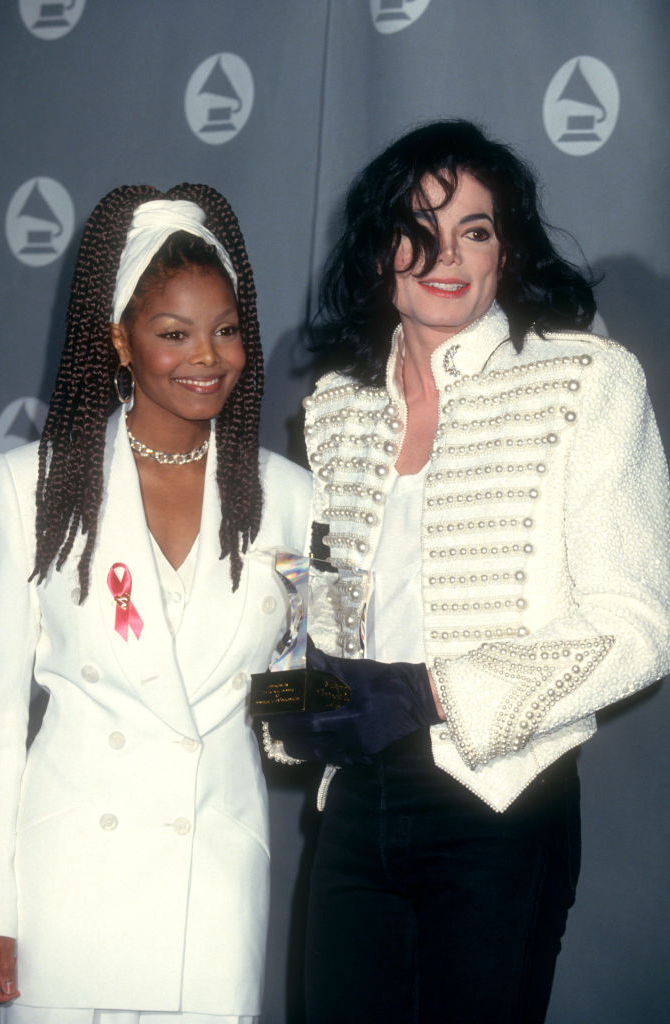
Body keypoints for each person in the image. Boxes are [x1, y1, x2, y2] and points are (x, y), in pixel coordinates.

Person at [265, 121, 670, 1023]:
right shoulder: (336, 408)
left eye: (475, 230)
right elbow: (321, 623)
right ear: (379, 250)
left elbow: (639, 622)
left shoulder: (584, 381)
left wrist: (432, 694)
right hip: (355, 797)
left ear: (505, 251)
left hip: (500, 798)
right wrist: (294, 708)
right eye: (418, 226)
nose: (444, 255)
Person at [0, 183, 310, 1022]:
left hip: (209, 883)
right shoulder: (29, 488)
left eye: (226, 329)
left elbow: (297, 683)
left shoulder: (290, 500)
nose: (207, 357)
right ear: (120, 343)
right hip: (64, 891)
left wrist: (335, 698)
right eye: (173, 333)